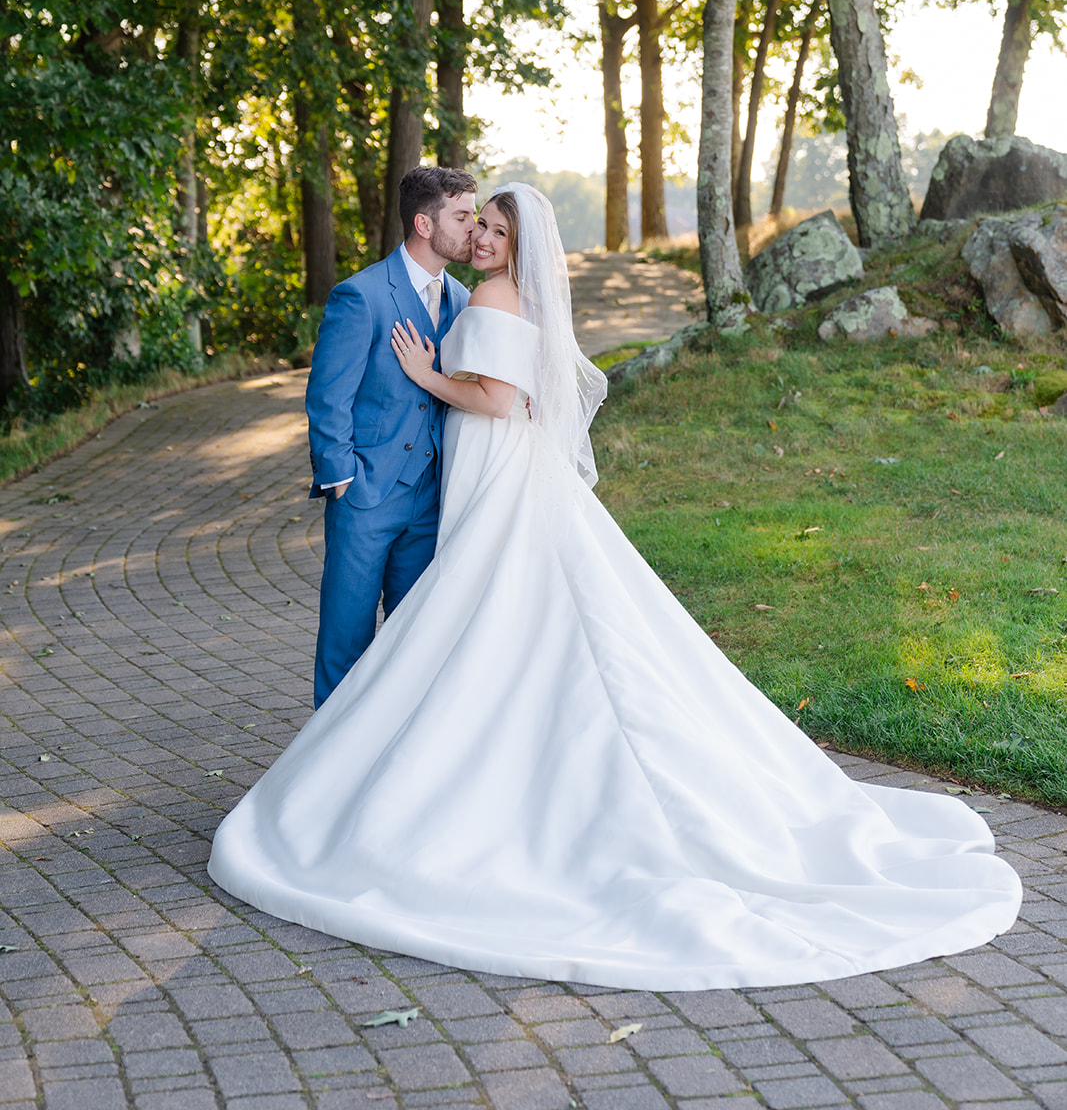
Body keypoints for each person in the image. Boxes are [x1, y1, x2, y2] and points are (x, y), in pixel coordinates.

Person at [209, 183, 1021, 990]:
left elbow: (498, 399)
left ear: (518, 243)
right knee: (487, 620)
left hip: (495, 470)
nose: (483, 237)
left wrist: (426, 375)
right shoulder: (496, 293)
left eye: (494, 228)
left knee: (479, 617)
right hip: (481, 475)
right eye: (477, 225)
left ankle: (385, 778)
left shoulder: (489, 292)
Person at [303, 165, 476, 708]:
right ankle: (326, 770)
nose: (474, 227)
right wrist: (342, 482)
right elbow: (329, 396)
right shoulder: (361, 295)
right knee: (347, 640)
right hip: (365, 496)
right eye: (463, 216)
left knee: (413, 640)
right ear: (425, 224)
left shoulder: (465, 300)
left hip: (431, 499)